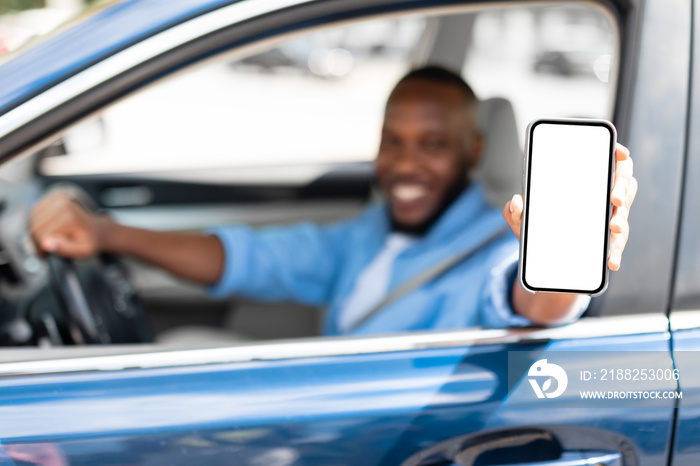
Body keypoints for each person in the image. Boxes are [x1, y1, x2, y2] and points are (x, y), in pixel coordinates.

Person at [29, 66, 637, 336]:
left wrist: (563, 272)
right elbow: (247, 258)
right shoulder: (369, 231)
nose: (403, 164)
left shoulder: (496, 244)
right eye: (391, 142)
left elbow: (532, 304)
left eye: (431, 145)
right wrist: (110, 235)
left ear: (473, 150)